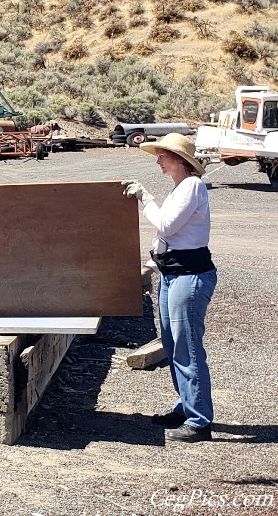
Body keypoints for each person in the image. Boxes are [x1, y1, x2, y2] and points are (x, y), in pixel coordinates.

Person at [122, 133, 217, 443]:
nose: (159, 159)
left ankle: (199, 420)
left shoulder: (192, 186)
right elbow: (169, 235)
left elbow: (165, 226)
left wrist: (145, 198)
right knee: (175, 345)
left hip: (187, 278)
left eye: (163, 154)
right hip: (175, 275)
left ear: (180, 160)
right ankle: (187, 407)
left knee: (186, 347)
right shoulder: (182, 188)